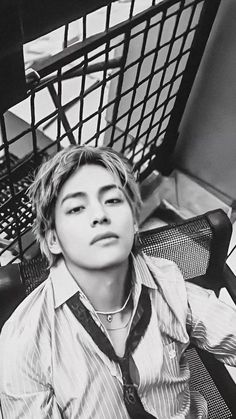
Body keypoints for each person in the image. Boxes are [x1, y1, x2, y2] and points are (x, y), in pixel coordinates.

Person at [0, 145, 236, 419]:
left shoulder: (168, 285)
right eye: (76, 208)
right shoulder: (24, 344)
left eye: (113, 200)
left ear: (133, 223)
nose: (100, 215)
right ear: (54, 240)